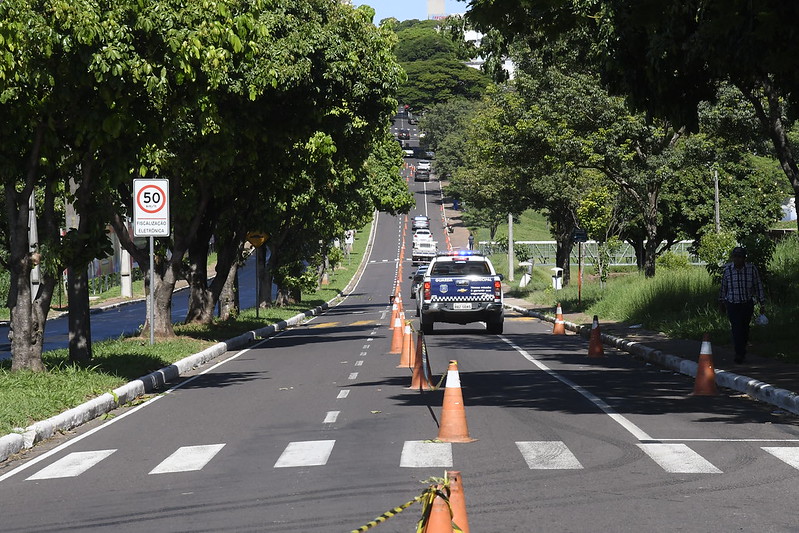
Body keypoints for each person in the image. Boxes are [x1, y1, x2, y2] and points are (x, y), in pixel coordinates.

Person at [718, 246, 766, 364]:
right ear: (733, 258)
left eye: (740, 257)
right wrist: (721, 302)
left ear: (744, 258)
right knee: (736, 327)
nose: (738, 260)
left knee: (744, 328)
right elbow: (724, 288)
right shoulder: (728, 270)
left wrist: (762, 302)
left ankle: (742, 349)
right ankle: (739, 353)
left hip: (746, 303)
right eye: (735, 257)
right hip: (732, 303)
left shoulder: (751, 269)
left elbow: (757, 285)